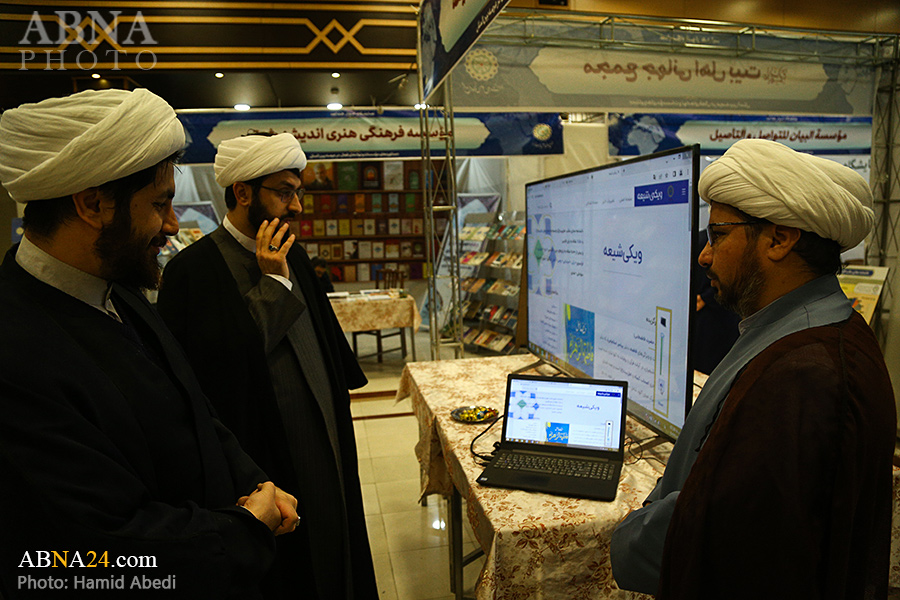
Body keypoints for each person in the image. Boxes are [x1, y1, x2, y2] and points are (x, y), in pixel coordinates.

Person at [0, 89, 299, 599]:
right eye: (160, 203)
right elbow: (90, 552)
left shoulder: (119, 290)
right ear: (92, 204)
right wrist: (244, 528)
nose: (172, 224)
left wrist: (254, 484)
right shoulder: (15, 351)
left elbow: (194, 410)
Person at [610, 139, 896, 599]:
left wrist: (630, 537)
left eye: (718, 236)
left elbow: (718, 534)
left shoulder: (803, 374)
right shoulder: (798, 332)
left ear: (779, 239)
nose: (704, 256)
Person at [156, 133, 376, 599]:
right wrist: (273, 284)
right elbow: (217, 372)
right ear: (242, 192)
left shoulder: (294, 253)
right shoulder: (193, 271)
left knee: (337, 549)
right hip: (261, 456)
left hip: (327, 442)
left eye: (299, 192)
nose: (296, 206)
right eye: (283, 192)